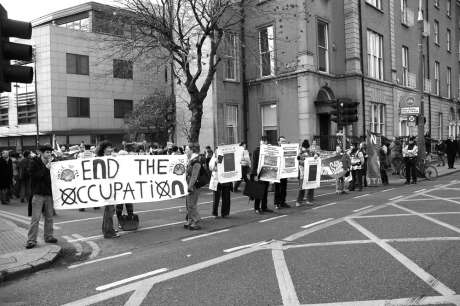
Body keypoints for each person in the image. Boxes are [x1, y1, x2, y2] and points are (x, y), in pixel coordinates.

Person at [25, 145, 58, 249]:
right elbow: (34, 177)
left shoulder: (52, 163)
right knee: (35, 219)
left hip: (48, 194)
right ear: (41, 153)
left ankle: (48, 236)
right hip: (38, 194)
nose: (49, 154)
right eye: (47, 152)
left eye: (50, 152)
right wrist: (46, 169)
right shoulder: (34, 162)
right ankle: (31, 240)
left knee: (49, 217)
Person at [97, 141, 120, 238]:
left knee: (110, 210)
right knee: (109, 210)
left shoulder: (111, 158)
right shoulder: (100, 159)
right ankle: (108, 232)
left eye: (111, 147)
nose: (111, 149)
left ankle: (107, 229)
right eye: (109, 147)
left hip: (112, 186)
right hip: (106, 188)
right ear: (104, 149)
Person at [250, 136, 273, 214]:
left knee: (265, 191)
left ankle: (264, 207)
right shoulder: (256, 151)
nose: (264, 143)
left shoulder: (267, 150)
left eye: (265, 142)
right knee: (259, 191)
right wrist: (256, 175)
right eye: (263, 142)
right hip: (258, 173)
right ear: (261, 142)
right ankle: (256, 208)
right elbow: (255, 164)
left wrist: (270, 149)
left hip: (266, 172)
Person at [184, 143, 203, 230]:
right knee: (188, 204)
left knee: (192, 204)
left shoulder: (196, 161)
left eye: (187, 150)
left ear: (191, 150)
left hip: (193, 185)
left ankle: (196, 221)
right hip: (188, 184)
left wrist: (190, 186)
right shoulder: (190, 160)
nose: (185, 151)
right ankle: (190, 220)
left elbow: (194, 176)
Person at [209, 150, 232, 218]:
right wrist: (215, 162)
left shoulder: (228, 157)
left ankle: (225, 213)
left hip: (226, 180)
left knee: (226, 197)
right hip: (217, 180)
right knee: (216, 198)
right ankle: (214, 213)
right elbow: (210, 167)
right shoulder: (214, 158)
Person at [296, 139, 319, 205]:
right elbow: (298, 160)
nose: (306, 149)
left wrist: (316, 155)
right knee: (303, 187)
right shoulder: (300, 152)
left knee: (310, 185)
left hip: (309, 171)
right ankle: (301, 201)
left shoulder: (310, 152)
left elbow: (317, 154)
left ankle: (304, 201)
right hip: (302, 171)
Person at [274, 136, 290, 209]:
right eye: (282, 141)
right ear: (278, 142)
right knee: (277, 188)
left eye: (284, 141)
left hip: (284, 172)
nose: (284, 142)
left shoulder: (287, 149)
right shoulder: (276, 149)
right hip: (277, 172)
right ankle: (277, 203)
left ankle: (283, 202)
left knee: (284, 188)